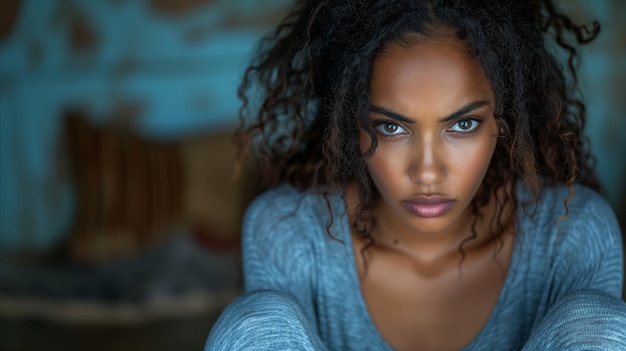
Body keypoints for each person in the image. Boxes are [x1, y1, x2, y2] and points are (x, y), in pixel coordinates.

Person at [206, 0, 626, 350]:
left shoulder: (570, 235)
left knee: (599, 326)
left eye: (463, 125)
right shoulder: (289, 232)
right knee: (255, 323)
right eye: (391, 127)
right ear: (348, 122)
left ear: (504, 121)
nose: (427, 171)